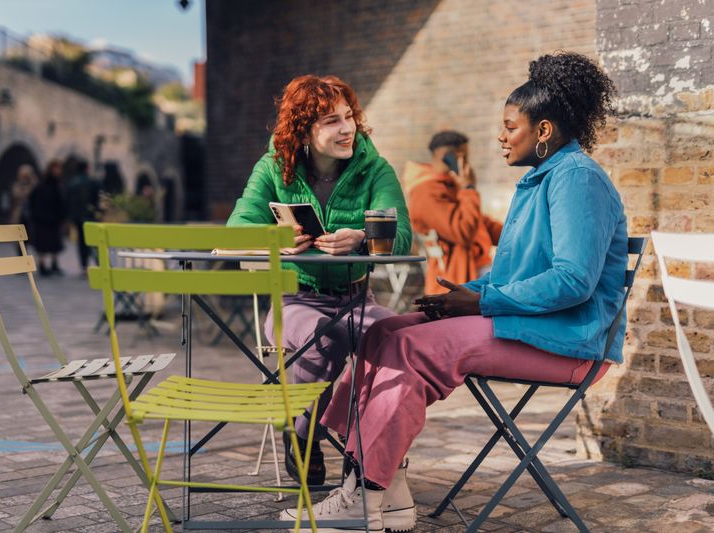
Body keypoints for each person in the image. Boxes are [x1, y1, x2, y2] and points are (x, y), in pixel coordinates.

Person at [282, 52, 626, 533]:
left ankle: (365, 493)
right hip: (528, 325)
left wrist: (482, 302)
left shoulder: (577, 180)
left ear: (543, 131)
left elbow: (573, 280)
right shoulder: (539, 180)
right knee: (384, 331)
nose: (500, 137)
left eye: (510, 126)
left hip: (570, 343)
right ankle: (389, 491)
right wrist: (464, 294)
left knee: (411, 347)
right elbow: (514, 272)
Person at [227, 74, 412, 486]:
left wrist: (364, 237)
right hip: (292, 300)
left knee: (395, 337)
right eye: (330, 120)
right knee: (322, 334)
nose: (346, 128)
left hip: (357, 299)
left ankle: (366, 445)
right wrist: (274, 238)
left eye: (348, 117)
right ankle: (305, 436)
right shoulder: (275, 167)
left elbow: (402, 235)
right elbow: (237, 227)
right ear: (304, 130)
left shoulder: (375, 168)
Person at [402, 130, 503, 291]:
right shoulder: (426, 192)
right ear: (450, 157)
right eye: (463, 157)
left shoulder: (451, 184)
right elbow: (463, 231)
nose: (467, 163)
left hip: (480, 265)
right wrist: (468, 188)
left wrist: (515, 234)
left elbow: (479, 221)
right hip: (458, 274)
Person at [28, 159, 67, 276]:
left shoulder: (58, 184)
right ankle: (42, 264)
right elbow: (33, 200)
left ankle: (54, 264)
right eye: (57, 168)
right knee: (42, 243)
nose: (59, 171)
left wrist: (62, 216)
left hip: (54, 219)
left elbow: (61, 202)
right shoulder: (42, 185)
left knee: (54, 242)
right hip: (42, 219)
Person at [66, 159, 100, 272]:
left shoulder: (72, 183)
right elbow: (97, 199)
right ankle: (98, 263)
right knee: (94, 241)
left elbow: (68, 200)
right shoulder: (91, 182)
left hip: (76, 217)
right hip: (89, 216)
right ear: (86, 168)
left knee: (81, 241)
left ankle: (84, 266)